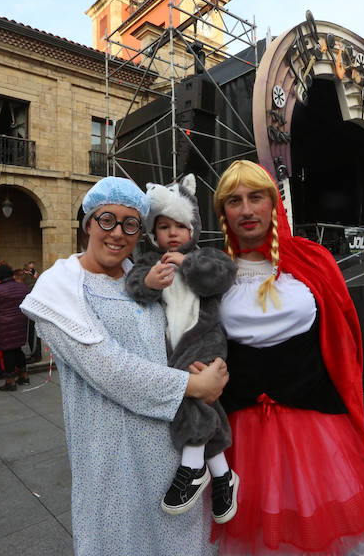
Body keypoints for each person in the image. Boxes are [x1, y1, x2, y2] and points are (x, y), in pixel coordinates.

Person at [21, 176, 229, 556]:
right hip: (111, 463)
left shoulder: (148, 280)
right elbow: (108, 368)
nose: (117, 233)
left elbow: (189, 330)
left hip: (175, 461)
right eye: (107, 220)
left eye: (130, 223)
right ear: (87, 223)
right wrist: (192, 386)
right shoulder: (61, 290)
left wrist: (212, 367)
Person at [211, 160, 364, 555]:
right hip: (240, 433)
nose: (246, 209)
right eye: (234, 200)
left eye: (256, 197)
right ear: (224, 212)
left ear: (274, 204)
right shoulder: (211, 273)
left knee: (324, 532)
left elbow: (344, 335)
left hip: (315, 427)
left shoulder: (312, 260)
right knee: (254, 535)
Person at [126, 174, 239, 523]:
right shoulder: (149, 262)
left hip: (204, 341)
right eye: (163, 226)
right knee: (205, 402)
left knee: (190, 398)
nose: (172, 233)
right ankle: (223, 475)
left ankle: (191, 467)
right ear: (152, 233)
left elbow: (222, 275)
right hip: (171, 349)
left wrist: (187, 265)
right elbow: (133, 287)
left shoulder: (206, 255)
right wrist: (147, 282)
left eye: (180, 225)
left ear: (193, 228)